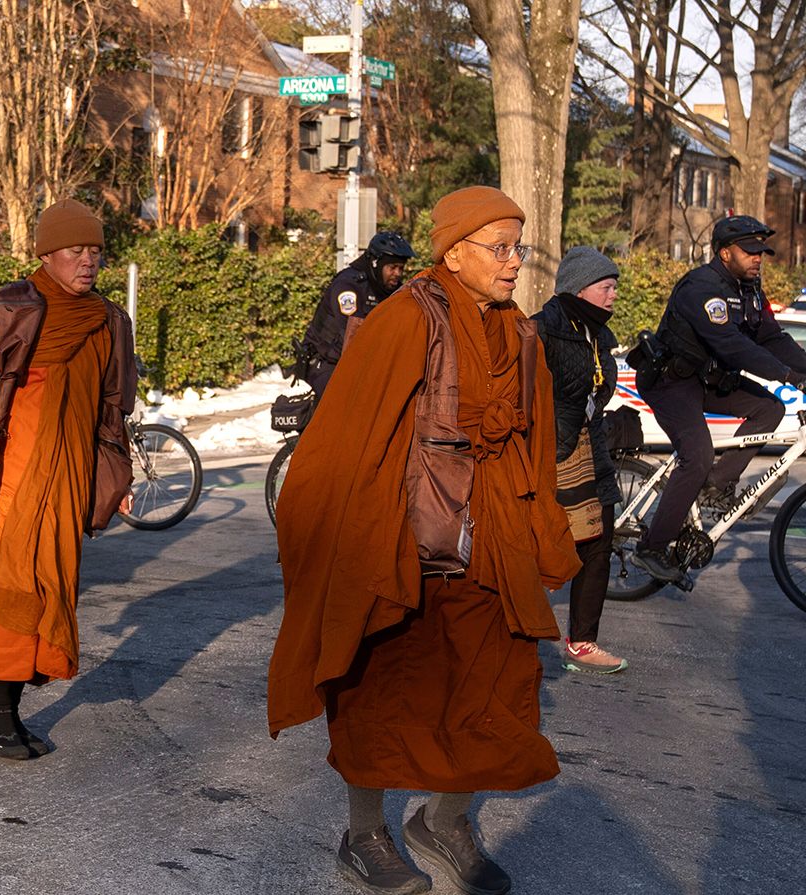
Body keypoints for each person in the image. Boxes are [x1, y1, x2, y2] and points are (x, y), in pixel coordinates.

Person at [268, 186, 579, 895]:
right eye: (498, 248)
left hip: (491, 548)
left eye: (517, 248)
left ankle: (444, 821)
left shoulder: (522, 334)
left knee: (491, 693)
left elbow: (532, 452)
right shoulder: (407, 320)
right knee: (380, 689)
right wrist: (333, 538)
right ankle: (365, 834)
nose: (513, 263)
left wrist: (542, 533)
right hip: (405, 548)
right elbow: (347, 437)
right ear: (454, 252)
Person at [0, 200, 137, 759]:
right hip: (10, 479)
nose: (88, 261)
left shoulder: (105, 319)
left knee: (49, 585)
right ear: (47, 254)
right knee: (19, 588)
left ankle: (8, 706)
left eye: (96, 250)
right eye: (76, 250)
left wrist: (113, 474)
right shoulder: (12, 308)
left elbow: (111, 408)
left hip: (67, 475)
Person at [632, 215, 806, 582]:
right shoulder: (702, 288)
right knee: (697, 455)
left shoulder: (751, 290)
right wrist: (787, 376)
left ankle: (717, 483)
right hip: (670, 383)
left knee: (769, 407)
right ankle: (651, 548)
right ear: (725, 253)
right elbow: (731, 344)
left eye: (762, 251)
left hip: (707, 380)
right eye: (750, 251)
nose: (759, 258)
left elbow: (772, 338)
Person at [537, 247, 627, 674]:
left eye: (614, 288)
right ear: (579, 288)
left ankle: (583, 642)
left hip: (592, 447)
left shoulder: (598, 333)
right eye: (606, 287)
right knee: (544, 542)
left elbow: (597, 388)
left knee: (599, 539)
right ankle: (504, 629)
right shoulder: (544, 328)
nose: (612, 296)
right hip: (554, 452)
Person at [299, 231, 416, 393]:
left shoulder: (390, 287)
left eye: (401, 268)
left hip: (355, 360)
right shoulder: (349, 286)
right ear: (376, 263)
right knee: (345, 402)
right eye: (392, 267)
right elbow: (353, 333)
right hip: (323, 361)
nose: (397, 274)